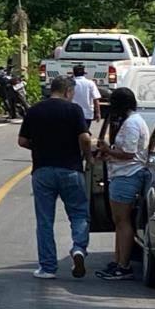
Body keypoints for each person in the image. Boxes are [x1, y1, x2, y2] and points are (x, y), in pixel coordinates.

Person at [18, 75, 93, 279]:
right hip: (70, 169)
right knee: (79, 214)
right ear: (68, 91)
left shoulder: (34, 110)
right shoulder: (74, 110)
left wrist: (40, 146)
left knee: (45, 220)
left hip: (42, 170)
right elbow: (85, 138)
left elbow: (22, 141)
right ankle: (78, 248)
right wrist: (88, 158)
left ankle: (48, 267)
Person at [95, 88, 150, 280]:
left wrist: (107, 150)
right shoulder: (130, 121)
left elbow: (128, 153)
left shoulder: (132, 124)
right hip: (121, 173)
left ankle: (124, 265)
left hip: (127, 174)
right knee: (118, 222)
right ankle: (118, 260)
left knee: (123, 221)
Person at [72, 65, 101, 130]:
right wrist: (98, 113)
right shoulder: (90, 83)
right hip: (87, 114)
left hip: (72, 113)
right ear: (84, 73)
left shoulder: (71, 83)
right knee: (85, 132)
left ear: (73, 73)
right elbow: (96, 99)